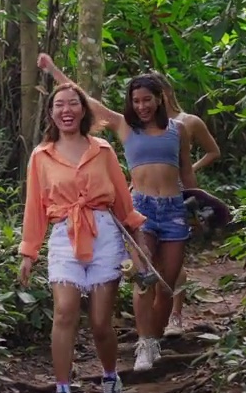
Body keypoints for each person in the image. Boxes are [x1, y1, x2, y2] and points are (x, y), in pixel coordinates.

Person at [36, 54, 196, 373]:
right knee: (143, 278)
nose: (141, 106)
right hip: (141, 209)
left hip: (175, 209)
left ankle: (155, 335)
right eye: (135, 101)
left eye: (147, 100)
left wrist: (198, 204)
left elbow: (187, 172)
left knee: (167, 283)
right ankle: (144, 345)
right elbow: (85, 100)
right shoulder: (124, 127)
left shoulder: (178, 130)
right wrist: (53, 70)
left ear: (159, 100)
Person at [18, 82, 147, 393]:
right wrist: (29, 252)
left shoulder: (102, 149)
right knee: (64, 312)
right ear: (51, 113)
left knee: (101, 321)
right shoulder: (41, 155)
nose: (66, 111)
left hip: (104, 235)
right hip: (64, 236)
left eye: (73, 104)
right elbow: (34, 206)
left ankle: (109, 376)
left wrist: (138, 248)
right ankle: (62, 388)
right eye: (59, 105)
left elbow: (122, 201)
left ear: (83, 109)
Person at [161, 84, 221, 336]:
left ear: (166, 91)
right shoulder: (145, 124)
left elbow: (213, 151)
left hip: (178, 191)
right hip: (147, 193)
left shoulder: (188, 121)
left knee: (174, 256)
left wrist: (189, 171)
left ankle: (175, 316)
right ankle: (155, 317)